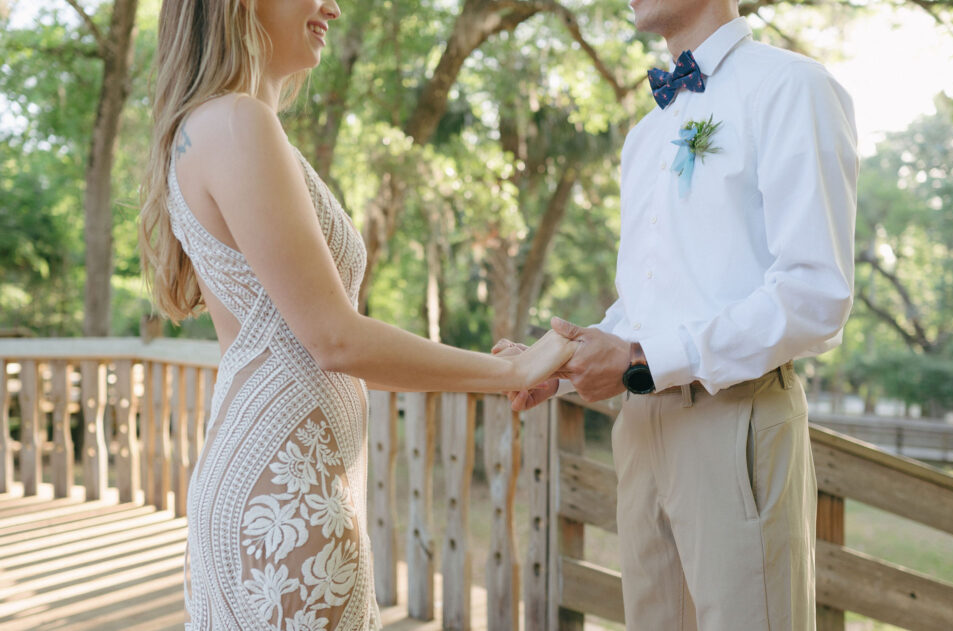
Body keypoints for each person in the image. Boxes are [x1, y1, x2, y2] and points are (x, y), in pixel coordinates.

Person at [139, 2, 576, 629]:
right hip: (285, 500)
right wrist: (514, 370)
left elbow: (313, 346)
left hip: (278, 481)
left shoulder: (212, 127)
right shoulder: (238, 123)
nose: (332, 7)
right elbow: (336, 341)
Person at [494, 0, 858, 628]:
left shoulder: (793, 87)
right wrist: (564, 360)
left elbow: (815, 293)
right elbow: (646, 305)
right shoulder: (645, 135)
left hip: (733, 419)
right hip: (640, 432)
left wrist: (639, 360)